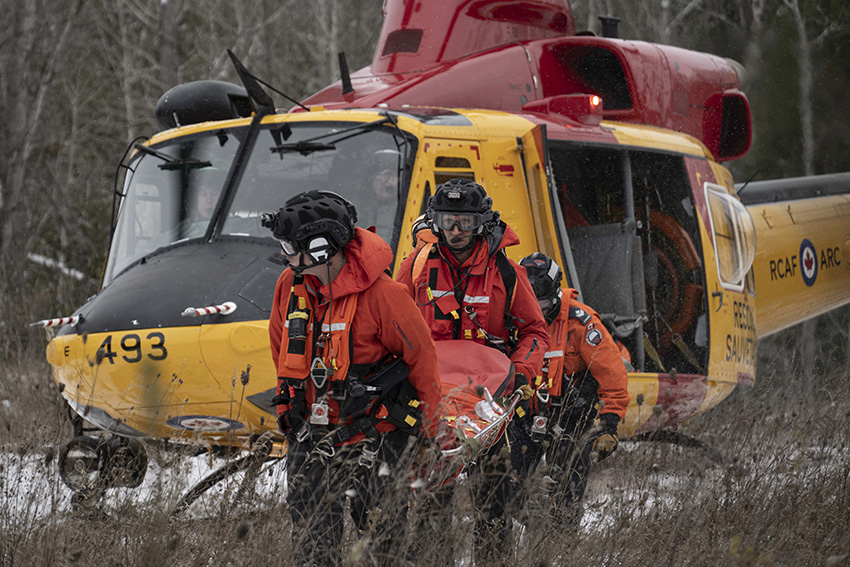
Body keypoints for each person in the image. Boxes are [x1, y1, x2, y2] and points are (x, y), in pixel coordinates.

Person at [263, 190, 448, 566]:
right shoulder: (289, 285)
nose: (284, 254)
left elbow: (421, 360)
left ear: (319, 248)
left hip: (374, 438)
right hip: (309, 434)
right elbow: (280, 345)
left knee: (383, 540)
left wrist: (431, 431)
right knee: (312, 543)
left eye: (289, 246)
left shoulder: (385, 296)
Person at [396, 178, 548, 564]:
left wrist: (520, 372)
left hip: (488, 403)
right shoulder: (414, 267)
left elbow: (534, 331)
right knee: (432, 502)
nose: (455, 230)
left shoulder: (507, 273)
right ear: (435, 220)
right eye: (447, 221)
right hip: (432, 401)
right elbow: (390, 324)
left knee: (494, 501)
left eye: (464, 221)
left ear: (481, 222)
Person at [515, 251, 630, 528]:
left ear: (554, 295)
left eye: (542, 303)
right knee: (506, 487)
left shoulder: (582, 323)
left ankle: (559, 545)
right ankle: (528, 530)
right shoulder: (511, 318)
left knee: (566, 497)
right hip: (522, 415)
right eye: (531, 303)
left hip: (570, 419)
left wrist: (610, 422)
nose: (537, 312)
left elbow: (612, 373)